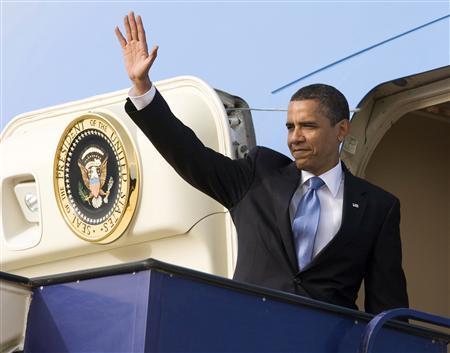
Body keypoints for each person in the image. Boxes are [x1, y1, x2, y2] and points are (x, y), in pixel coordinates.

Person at [115, 12, 409, 314]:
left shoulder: (378, 207)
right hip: (249, 335)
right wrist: (143, 89)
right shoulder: (258, 177)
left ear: (341, 130)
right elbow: (191, 155)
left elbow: (387, 307)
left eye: (307, 126)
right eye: (289, 127)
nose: (295, 138)